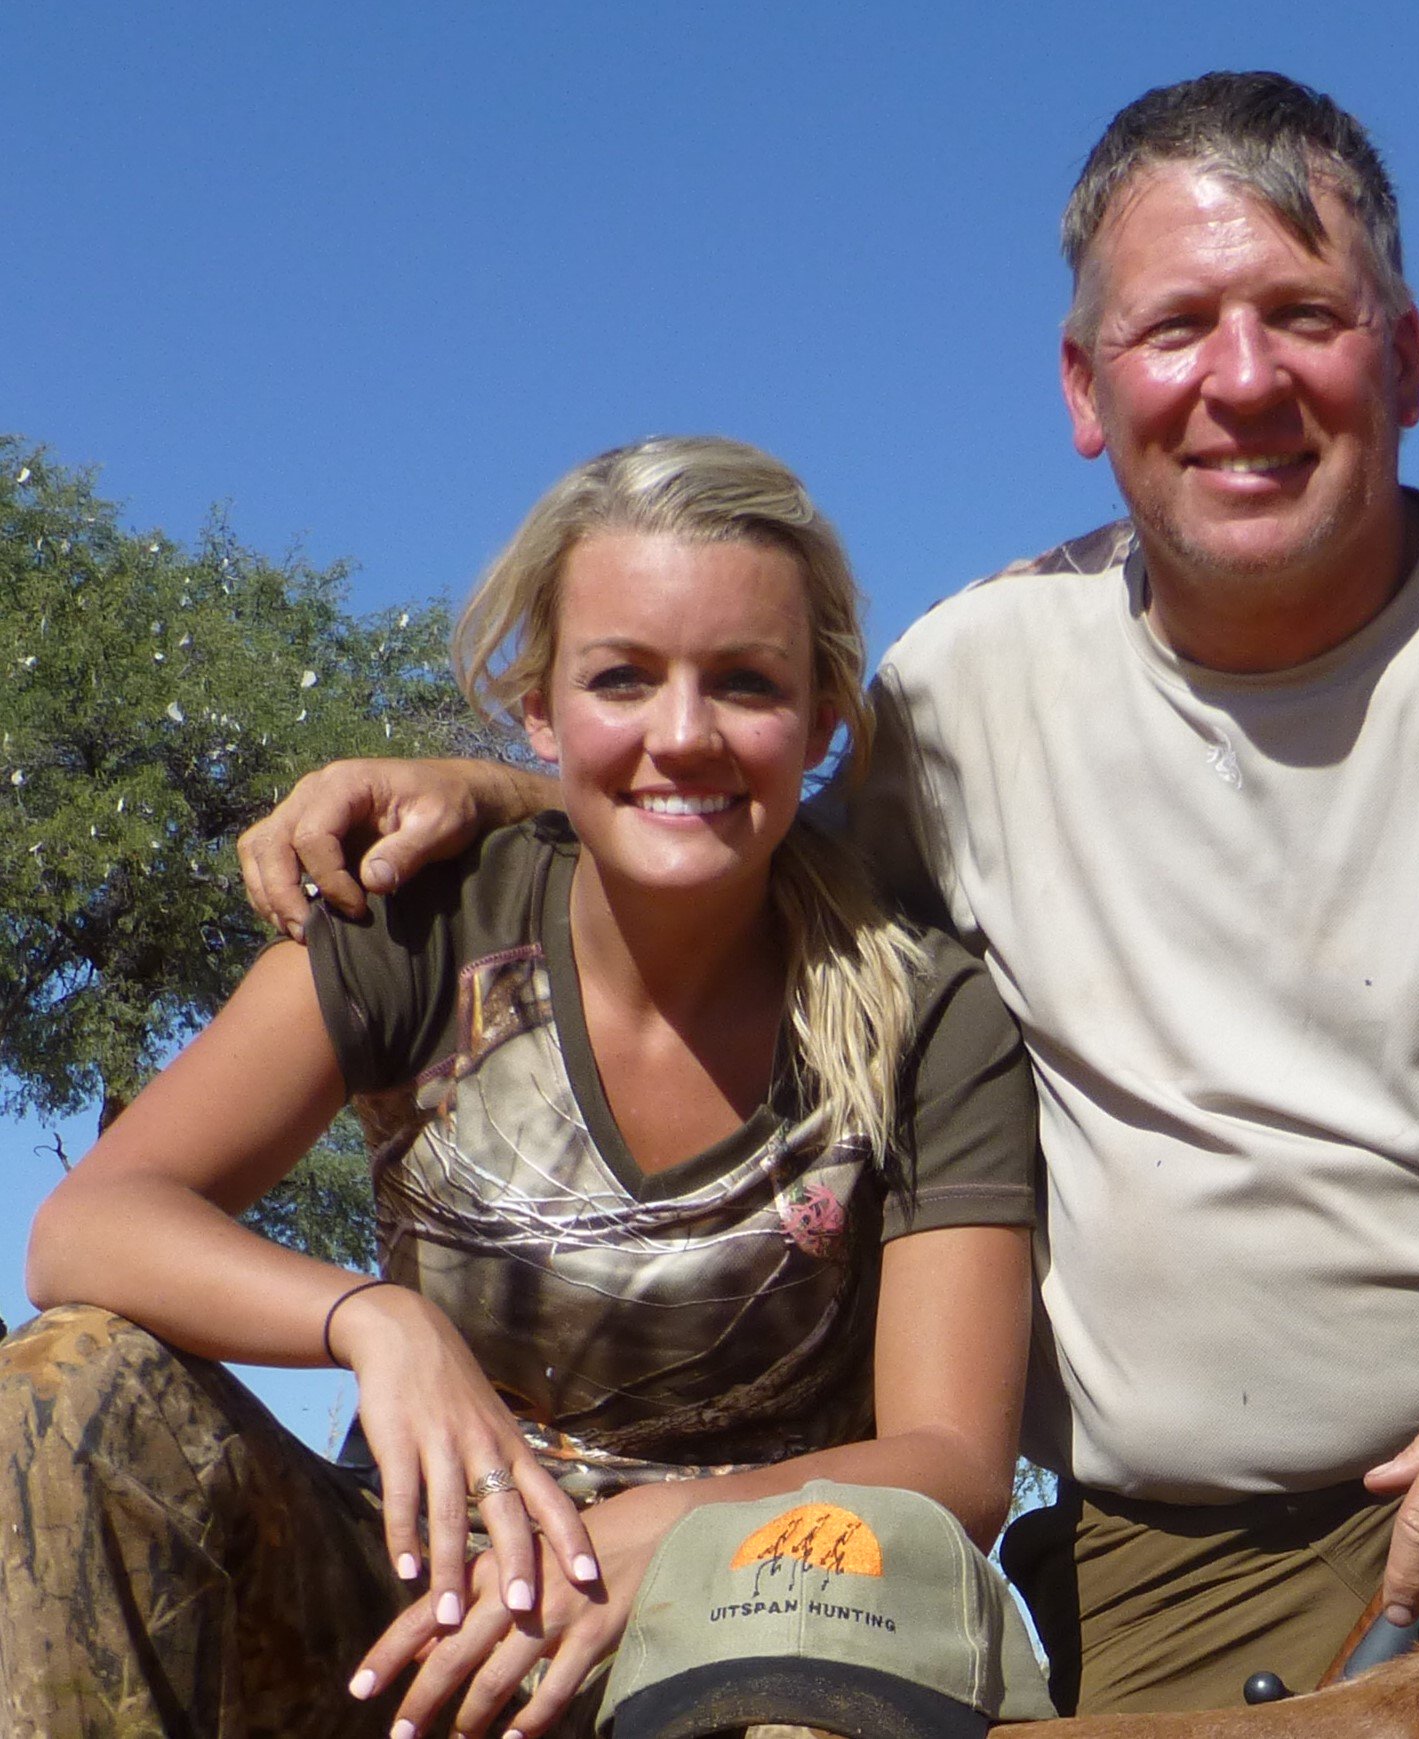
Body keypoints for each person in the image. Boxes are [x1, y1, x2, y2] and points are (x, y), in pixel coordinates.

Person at [235, 75, 1419, 1739]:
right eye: (1176, 328)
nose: (1241, 381)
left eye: (1305, 319)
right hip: (1174, 1556)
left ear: (1405, 358)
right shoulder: (968, 680)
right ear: (1088, 393)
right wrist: (508, 794)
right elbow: (734, 834)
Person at [1, 436, 1037, 1739]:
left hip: (734, 1608)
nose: (681, 734)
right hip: (423, 1600)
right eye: (622, 678)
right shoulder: (419, 925)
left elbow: (952, 1464)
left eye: (745, 684)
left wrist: (656, 1536)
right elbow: (87, 1227)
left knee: (815, 1651)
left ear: (825, 724)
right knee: (70, 1383)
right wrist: (378, 1324)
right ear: (540, 712)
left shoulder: (930, 1009)